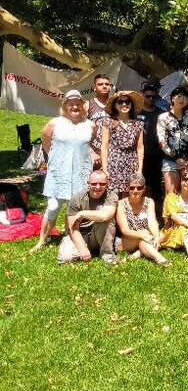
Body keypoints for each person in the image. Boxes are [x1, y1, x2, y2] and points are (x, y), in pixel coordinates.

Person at [31, 90, 97, 253]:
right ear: (65, 105)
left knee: (74, 209)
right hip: (59, 172)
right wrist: (56, 160)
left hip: (81, 172)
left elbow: (89, 145)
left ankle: (70, 237)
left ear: (82, 105)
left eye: (78, 103)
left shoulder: (90, 125)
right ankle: (41, 241)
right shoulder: (55, 123)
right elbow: (46, 144)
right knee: (53, 207)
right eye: (70, 103)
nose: (74, 106)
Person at [56, 170, 119, 264]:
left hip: (99, 234)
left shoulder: (111, 196)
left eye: (102, 184)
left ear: (107, 183)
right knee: (65, 258)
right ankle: (92, 249)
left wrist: (82, 213)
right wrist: (82, 249)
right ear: (88, 183)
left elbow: (105, 216)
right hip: (80, 234)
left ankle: (107, 255)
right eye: (94, 184)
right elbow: (73, 228)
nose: (98, 187)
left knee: (107, 221)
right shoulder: (76, 199)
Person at [115, 173, 170, 265]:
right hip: (127, 240)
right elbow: (125, 230)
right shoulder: (121, 204)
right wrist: (142, 235)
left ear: (144, 188)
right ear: (128, 188)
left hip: (145, 236)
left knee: (161, 236)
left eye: (139, 188)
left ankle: (134, 256)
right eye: (132, 188)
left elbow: (152, 221)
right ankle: (161, 259)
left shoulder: (149, 202)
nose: (135, 191)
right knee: (144, 240)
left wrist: (156, 236)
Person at [99, 90, 145, 196]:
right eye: (120, 102)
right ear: (115, 105)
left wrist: (139, 169)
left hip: (131, 164)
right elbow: (104, 147)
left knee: (129, 196)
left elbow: (140, 148)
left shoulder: (138, 124)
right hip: (113, 164)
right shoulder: (108, 123)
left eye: (127, 101)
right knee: (112, 197)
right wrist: (105, 168)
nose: (124, 104)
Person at [156, 86, 188, 196]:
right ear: (172, 99)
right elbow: (162, 141)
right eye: (179, 96)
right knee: (171, 194)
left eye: (185, 97)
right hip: (170, 160)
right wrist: (175, 158)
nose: (182, 99)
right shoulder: (163, 117)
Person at [137, 80, 165, 204]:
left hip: (156, 156)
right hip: (139, 155)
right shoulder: (135, 112)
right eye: (148, 96)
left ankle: (156, 214)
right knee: (139, 184)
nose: (151, 99)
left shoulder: (162, 113)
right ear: (142, 95)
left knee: (156, 187)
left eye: (154, 97)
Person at [87, 74, 113, 167]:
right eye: (100, 84)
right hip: (94, 155)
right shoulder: (88, 105)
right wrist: (91, 152)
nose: (104, 86)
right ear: (94, 87)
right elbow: (81, 131)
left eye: (107, 84)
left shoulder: (116, 105)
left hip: (112, 155)